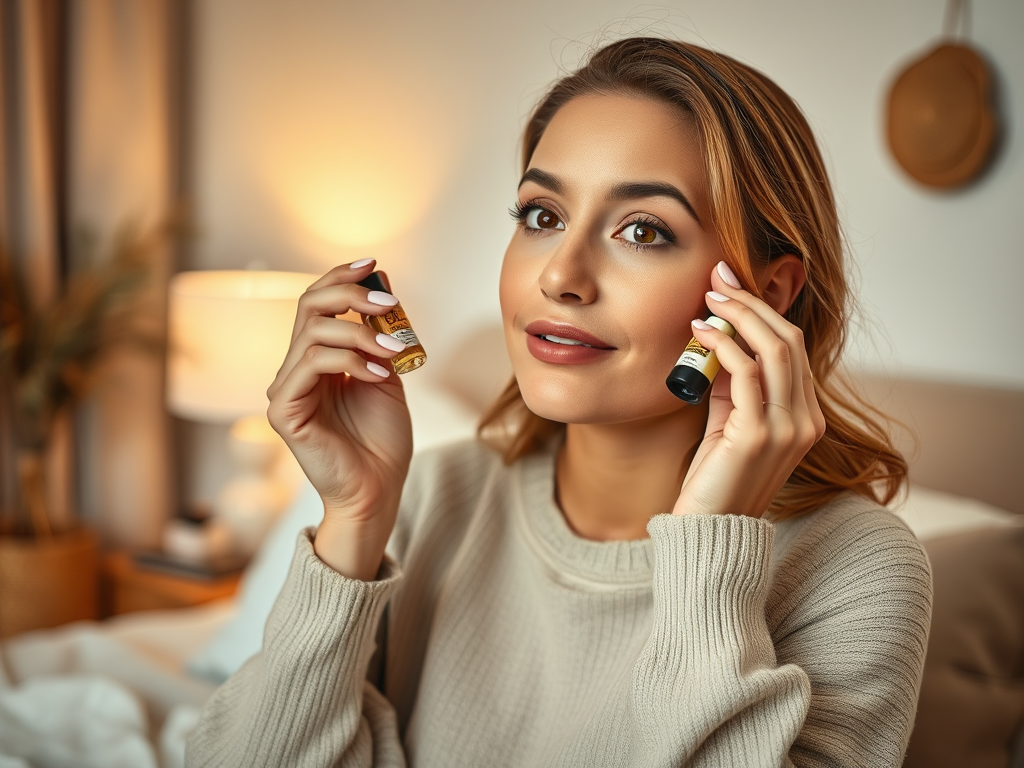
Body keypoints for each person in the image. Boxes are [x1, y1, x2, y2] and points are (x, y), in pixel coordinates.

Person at [186, 37, 932, 767]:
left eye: (642, 230)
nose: (561, 277)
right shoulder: (430, 499)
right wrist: (350, 522)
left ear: (766, 294)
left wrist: (714, 547)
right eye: (542, 217)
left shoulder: (859, 568)